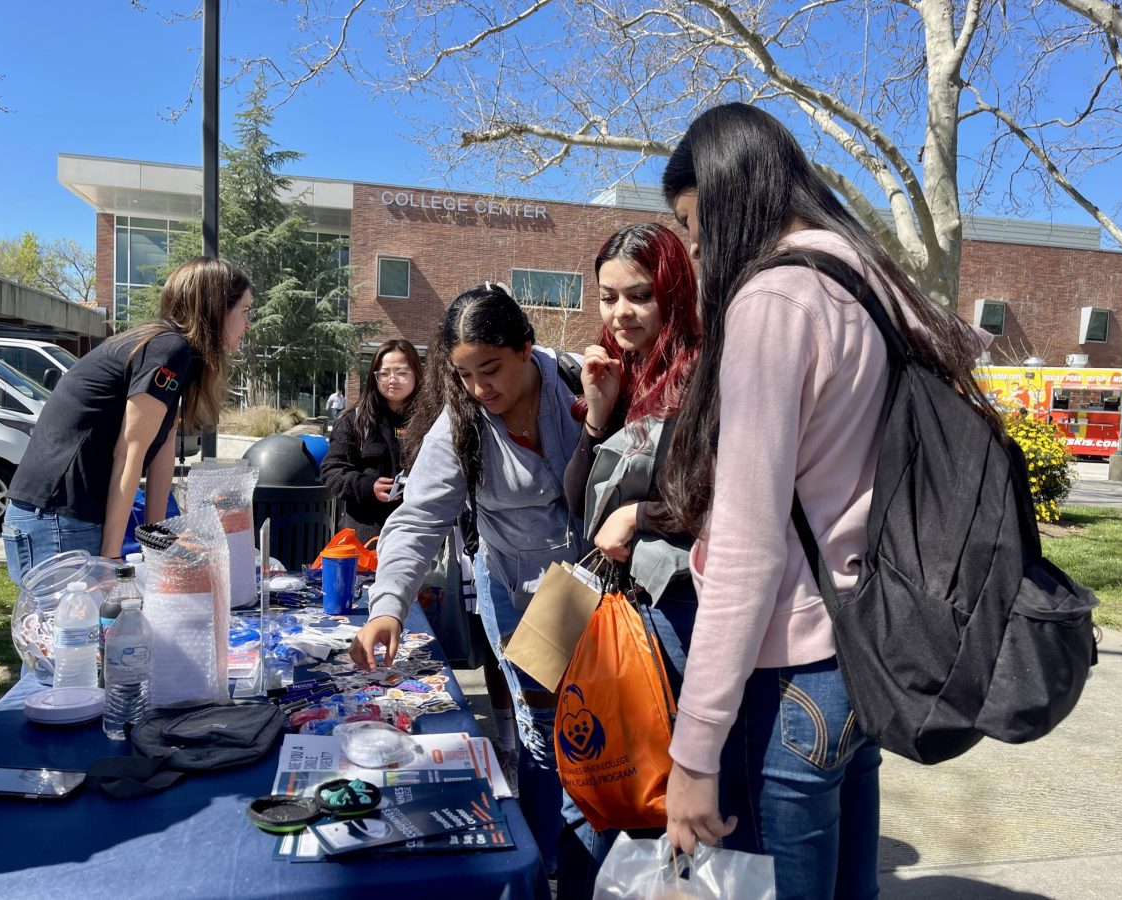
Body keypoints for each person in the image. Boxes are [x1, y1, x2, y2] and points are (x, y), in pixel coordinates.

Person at [658, 103, 999, 898]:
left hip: (790, 674)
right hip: (866, 653)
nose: (696, 247)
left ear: (732, 193)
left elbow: (748, 546)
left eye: (693, 222)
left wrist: (693, 752)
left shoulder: (773, 302)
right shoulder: (867, 277)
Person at [347, 283, 588, 893]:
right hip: (518, 590)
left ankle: (590, 847)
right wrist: (389, 606)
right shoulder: (461, 424)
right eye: (464, 374)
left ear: (527, 349)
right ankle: (543, 865)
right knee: (543, 734)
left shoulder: (584, 385)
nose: (481, 388)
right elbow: (419, 517)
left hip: (597, 587)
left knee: (599, 726)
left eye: (492, 368)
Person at [561, 221, 701, 891]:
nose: (621, 313)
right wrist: (600, 413)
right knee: (608, 786)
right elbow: (578, 503)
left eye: (639, 296)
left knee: (656, 793)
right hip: (630, 614)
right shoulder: (632, 372)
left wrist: (639, 515)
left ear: (673, 290)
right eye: (608, 296)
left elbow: (726, 496)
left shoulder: (703, 372)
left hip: (685, 615)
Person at [3, 256, 251, 585]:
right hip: (58, 518)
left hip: (59, 515)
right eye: (245, 312)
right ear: (216, 308)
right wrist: (110, 559)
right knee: (78, 634)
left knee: (92, 632)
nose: (249, 324)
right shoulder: (168, 348)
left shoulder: (175, 353)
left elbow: (160, 447)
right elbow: (130, 452)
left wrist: (159, 542)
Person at [320, 340, 423, 542]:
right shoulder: (353, 421)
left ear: (417, 374)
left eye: (402, 372)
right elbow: (331, 471)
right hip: (366, 538)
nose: (392, 380)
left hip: (418, 534)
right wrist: (367, 486)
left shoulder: (430, 421)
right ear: (374, 377)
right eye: (384, 373)